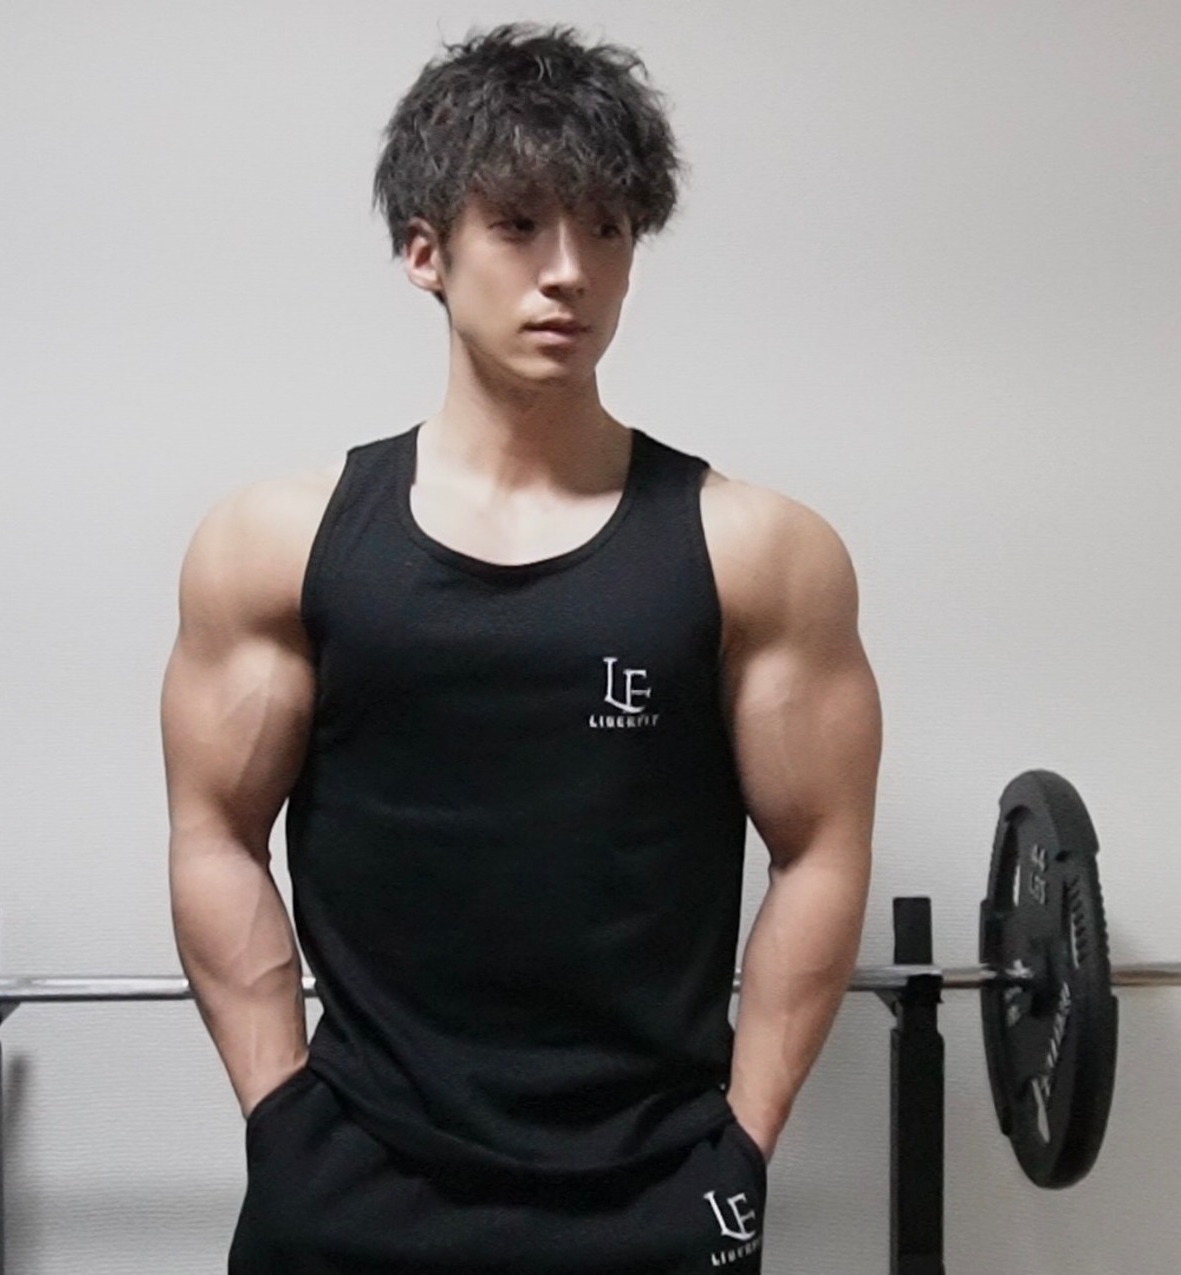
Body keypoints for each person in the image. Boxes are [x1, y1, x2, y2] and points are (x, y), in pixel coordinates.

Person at [162, 22, 881, 1274]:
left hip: (655, 1193)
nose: (569, 273)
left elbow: (819, 848)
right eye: (518, 226)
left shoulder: (757, 551)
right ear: (423, 251)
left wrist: (741, 1148)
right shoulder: (274, 544)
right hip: (351, 1188)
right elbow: (212, 833)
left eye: (605, 230)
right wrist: (280, 1119)